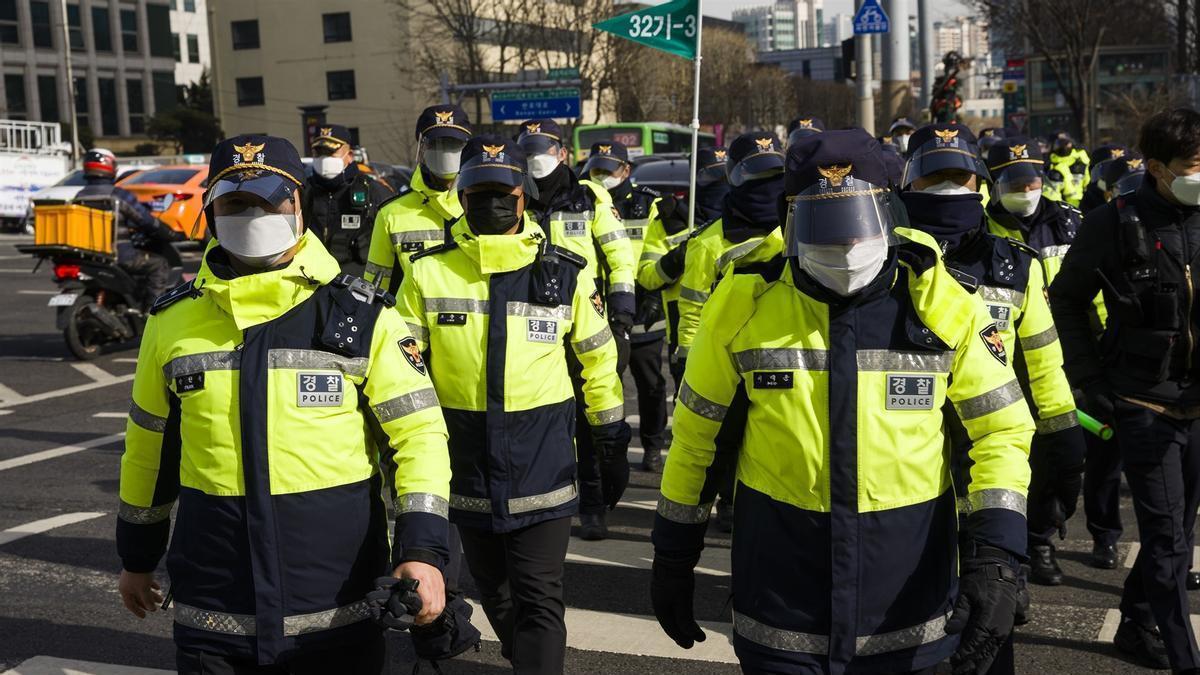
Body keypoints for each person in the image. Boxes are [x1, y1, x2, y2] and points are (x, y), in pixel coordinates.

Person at [651, 128, 1034, 675]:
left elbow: (999, 431)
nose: (846, 248)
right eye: (824, 229)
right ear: (789, 219)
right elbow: (695, 439)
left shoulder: (943, 304)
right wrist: (673, 554)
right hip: (782, 602)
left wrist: (997, 555)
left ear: (889, 212)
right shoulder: (741, 302)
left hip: (907, 601)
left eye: (858, 224)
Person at [115, 135, 452, 673]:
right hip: (213, 610)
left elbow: (420, 439)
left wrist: (424, 551)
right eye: (233, 203)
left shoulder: (363, 316)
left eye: (269, 200)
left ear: (298, 205)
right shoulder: (171, 320)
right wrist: (136, 556)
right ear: (210, 211)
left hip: (334, 611)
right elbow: (148, 446)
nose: (252, 214)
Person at [397, 135, 629, 674]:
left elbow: (597, 362)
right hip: (466, 463)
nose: (491, 203)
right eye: (478, 192)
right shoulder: (428, 270)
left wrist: (611, 438)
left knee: (539, 596)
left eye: (502, 192)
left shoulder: (565, 271)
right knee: (496, 594)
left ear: (523, 196)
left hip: (542, 459)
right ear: (462, 194)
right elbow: (403, 366)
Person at [900, 123, 1086, 595]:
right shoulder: (875, 261)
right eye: (932, 177)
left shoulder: (1018, 265)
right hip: (905, 447)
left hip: (990, 444)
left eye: (959, 178)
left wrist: (1064, 435)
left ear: (980, 184)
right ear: (907, 184)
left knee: (992, 592)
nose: (947, 189)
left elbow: (1044, 363)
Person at [1050, 108, 1200, 673]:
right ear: (1158, 168)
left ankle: (1137, 624)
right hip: (1141, 399)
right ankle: (1186, 657)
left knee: (1181, 528)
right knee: (1164, 540)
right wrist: (1089, 379)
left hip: (1197, 400)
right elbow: (1065, 300)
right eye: (1194, 166)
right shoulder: (1114, 222)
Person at [516, 120, 636, 539]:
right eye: (528, 149)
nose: (536, 157)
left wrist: (621, 317)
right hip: (531, 325)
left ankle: (592, 505)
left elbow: (620, 258)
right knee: (542, 416)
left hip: (587, 322)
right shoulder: (517, 196)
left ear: (562, 152)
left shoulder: (589, 196)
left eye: (543, 148)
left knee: (589, 420)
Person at [674, 132, 787, 532]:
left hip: (790, 356)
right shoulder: (709, 242)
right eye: (757, 176)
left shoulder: (803, 224)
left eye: (774, 173)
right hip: (729, 361)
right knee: (726, 437)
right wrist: (688, 360)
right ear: (736, 179)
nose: (767, 185)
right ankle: (728, 497)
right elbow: (693, 307)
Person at [590, 143, 671, 472]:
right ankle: (606, 453)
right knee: (603, 386)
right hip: (599, 311)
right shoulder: (587, 200)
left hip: (643, 307)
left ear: (626, 170)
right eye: (597, 169)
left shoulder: (648, 202)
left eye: (608, 170)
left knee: (650, 385)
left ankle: (652, 445)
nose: (602, 176)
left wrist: (652, 294)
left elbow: (661, 251)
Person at [638, 145, 729, 390]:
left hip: (731, 328)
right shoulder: (671, 221)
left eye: (726, 176)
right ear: (695, 178)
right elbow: (647, 277)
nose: (721, 183)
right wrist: (678, 257)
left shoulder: (743, 220)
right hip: (685, 333)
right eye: (712, 176)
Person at [364, 105, 472, 294]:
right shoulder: (391, 214)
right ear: (421, 146)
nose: (445, 152)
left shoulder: (486, 206)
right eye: (436, 143)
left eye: (453, 144)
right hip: (407, 322)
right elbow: (374, 289)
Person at [76, 148, 180, 302]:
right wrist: (167, 231)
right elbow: (144, 219)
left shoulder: (79, 196)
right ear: (110, 166)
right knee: (159, 264)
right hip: (119, 255)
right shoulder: (117, 195)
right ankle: (154, 312)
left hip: (88, 256)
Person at [985, 136, 1083, 286]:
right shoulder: (983, 230)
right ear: (994, 187)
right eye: (1015, 185)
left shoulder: (1071, 221)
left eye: (1031, 182)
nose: (1025, 191)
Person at [302, 125, 394, 276]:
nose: (324, 159)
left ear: (349, 155)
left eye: (331, 152)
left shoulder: (373, 191)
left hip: (358, 282)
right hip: (312, 282)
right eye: (319, 153)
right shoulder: (303, 192)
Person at [1078, 144, 1129, 214]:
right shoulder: (1091, 198)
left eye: (1121, 171)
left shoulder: (1133, 194)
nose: (1115, 177)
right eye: (1109, 171)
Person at [1046, 132, 1090, 207]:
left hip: (1082, 206)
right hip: (1062, 208)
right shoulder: (1050, 165)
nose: (1064, 145)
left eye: (1066, 141)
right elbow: (1051, 195)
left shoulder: (1081, 159)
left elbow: (1088, 183)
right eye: (1059, 142)